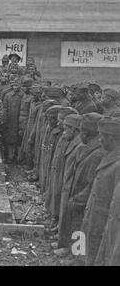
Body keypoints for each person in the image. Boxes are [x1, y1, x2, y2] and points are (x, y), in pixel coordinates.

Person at [59, 113, 105, 257]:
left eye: (82, 132)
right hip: (76, 193)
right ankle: (70, 250)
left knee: (80, 228)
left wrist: (79, 198)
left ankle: (76, 257)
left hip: (83, 198)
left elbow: (91, 183)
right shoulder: (86, 147)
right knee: (74, 224)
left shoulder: (97, 154)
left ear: (87, 133)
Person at [82, 117, 120, 266]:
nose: (99, 141)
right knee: (89, 245)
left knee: (99, 251)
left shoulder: (117, 163)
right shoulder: (109, 155)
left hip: (104, 217)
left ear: (112, 138)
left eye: (102, 137)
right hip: (95, 212)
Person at [54, 114, 83, 255]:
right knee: (66, 216)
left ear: (75, 129)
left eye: (66, 128)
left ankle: (75, 251)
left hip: (76, 190)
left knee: (76, 222)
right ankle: (64, 242)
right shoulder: (72, 141)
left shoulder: (79, 145)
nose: (63, 131)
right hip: (68, 186)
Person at [2, 78, 24, 164]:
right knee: (10, 140)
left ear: (20, 85)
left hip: (20, 121)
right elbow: (5, 108)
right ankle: (10, 157)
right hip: (10, 121)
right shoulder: (8, 95)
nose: (15, 87)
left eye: (17, 85)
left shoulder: (23, 95)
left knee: (20, 140)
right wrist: (5, 119)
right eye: (14, 85)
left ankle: (19, 157)